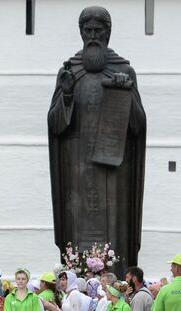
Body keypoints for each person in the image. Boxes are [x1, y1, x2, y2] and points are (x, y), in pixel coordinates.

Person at [48, 6, 146, 278]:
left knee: (114, 225)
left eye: (98, 30)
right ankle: (76, 275)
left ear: (108, 33)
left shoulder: (124, 70)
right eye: (87, 30)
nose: (92, 36)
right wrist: (66, 95)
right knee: (77, 224)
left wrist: (125, 93)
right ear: (81, 33)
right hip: (76, 165)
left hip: (114, 168)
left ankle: (115, 275)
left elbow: (138, 125)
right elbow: (56, 125)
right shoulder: (69, 72)